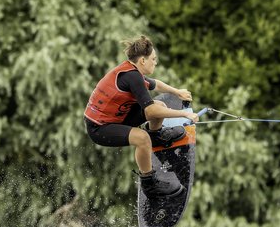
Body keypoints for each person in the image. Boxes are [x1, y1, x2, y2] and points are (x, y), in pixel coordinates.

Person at [84, 36, 199, 196]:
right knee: (142, 138)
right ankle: (149, 184)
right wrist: (183, 114)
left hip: (117, 117)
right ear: (143, 61)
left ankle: (156, 137)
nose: (155, 62)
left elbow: (155, 84)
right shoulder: (132, 77)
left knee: (159, 105)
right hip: (100, 128)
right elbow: (150, 112)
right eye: (153, 59)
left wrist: (177, 91)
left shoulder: (132, 71)